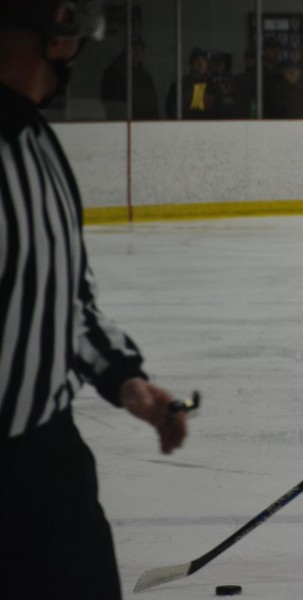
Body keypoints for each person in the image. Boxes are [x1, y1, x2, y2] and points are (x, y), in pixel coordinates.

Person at [0, 2, 190, 598]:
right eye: (57, 39)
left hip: (50, 461)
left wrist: (123, 378)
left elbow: (66, 294)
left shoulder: (35, 142)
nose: (67, 57)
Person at [99, 35, 159, 120]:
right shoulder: (115, 72)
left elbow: (152, 102)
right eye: (134, 49)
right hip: (122, 124)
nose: (138, 53)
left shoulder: (145, 76)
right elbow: (111, 101)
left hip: (144, 124)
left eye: (140, 49)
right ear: (127, 51)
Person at [165, 46, 217, 119]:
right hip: (186, 126)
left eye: (203, 60)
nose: (200, 64)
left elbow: (219, 108)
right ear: (192, 65)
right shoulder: (181, 84)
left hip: (209, 126)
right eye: (197, 61)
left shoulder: (213, 85)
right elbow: (171, 107)